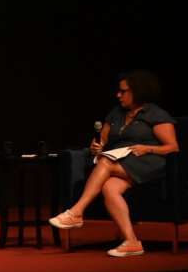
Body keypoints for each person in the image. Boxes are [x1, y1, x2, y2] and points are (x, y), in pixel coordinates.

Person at [50, 70, 179, 257]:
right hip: (123, 159)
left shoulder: (155, 114)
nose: (118, 95)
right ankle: (132, 242)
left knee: (105, 163)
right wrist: (97, 147)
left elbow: (173, 148)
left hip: (150, 161)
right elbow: (103, 141)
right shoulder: (117, 113)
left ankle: (76, 212)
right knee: (109, 187)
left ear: (138, 91)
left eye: (124, 91)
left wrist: (148, 148)